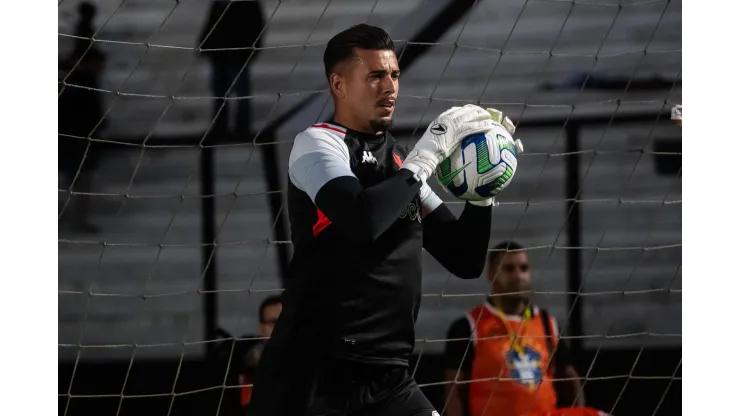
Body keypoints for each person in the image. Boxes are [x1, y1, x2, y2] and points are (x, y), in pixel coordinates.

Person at [249, 24, 518, 416]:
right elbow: (362, 221)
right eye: (375, 76)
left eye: (393, 75)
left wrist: (483, 189)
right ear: (338, 84)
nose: (389, 87)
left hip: (389, 378)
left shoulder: (400, 163)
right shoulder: (318, 143)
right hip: (314, 374)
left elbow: (464, 258)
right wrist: (427, 155)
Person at [443, 241, 598, 416]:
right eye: (509, 269)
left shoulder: (547, 323)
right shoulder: (469, 326)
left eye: (523, 268)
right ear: (491, 274)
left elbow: (570, 379)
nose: (518, 276)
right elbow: (454, 392)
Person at [58, 1, 107, 233]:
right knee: (77, 177)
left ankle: (77, 219)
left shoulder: (81, 80)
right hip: (74, 130)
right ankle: (76, 219)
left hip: (80, 129)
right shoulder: (77, 80)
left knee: (81, 177)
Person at [198, 0, 265, 139]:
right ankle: (221, 127)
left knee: (239, 93)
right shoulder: (221, 3)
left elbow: (257, 25)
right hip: (221, 55)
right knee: (220, 93)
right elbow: (211, 23)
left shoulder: (248, 4)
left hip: (237, 55)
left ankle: (240, 127)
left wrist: (252, 49)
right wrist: (204, 43)